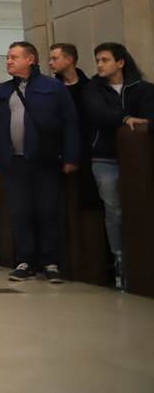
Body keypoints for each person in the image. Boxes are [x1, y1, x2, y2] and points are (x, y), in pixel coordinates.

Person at [0, 41, 79, 282]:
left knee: (48, 211)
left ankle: (51, 261)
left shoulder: (53, 87)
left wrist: (71, 157)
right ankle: (25, 260)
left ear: (31, 59)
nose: (9, 61)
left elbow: (70, 123)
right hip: (14, 162)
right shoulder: (1, 91)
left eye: (14, 57)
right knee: (20, 212)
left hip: (46, 161)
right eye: (7, 57)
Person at [83, 42, 154, 289]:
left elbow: (148, 117)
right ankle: (120, 258)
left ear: (120, 62)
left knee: (140, 207)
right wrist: (125, 118)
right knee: (114, 209)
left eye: (105, 60)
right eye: (98, 61)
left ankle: (142, 259)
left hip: (138, 160)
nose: (100, 65)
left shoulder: (142, 88)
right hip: (104, 157)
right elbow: (98, 113)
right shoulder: (93, 89)